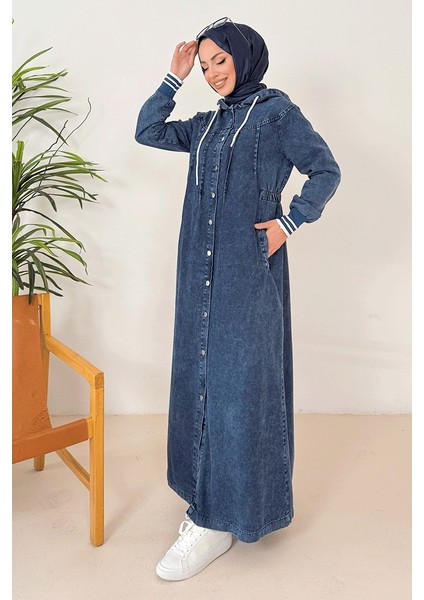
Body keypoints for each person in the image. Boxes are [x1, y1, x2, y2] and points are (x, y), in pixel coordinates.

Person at [135, 17, 341, 581]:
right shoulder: (206, 125)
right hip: (196, 272)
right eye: (204, 66)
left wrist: (289, 223)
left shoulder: (277, 114)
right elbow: (147, 130)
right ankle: (205, 508)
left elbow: (325, 169)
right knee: (198, 379)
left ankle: (225, 515)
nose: (212, 74)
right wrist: (173, 78)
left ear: (245, 56)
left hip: (246, 273)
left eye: (219, 61)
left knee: (240, 390)